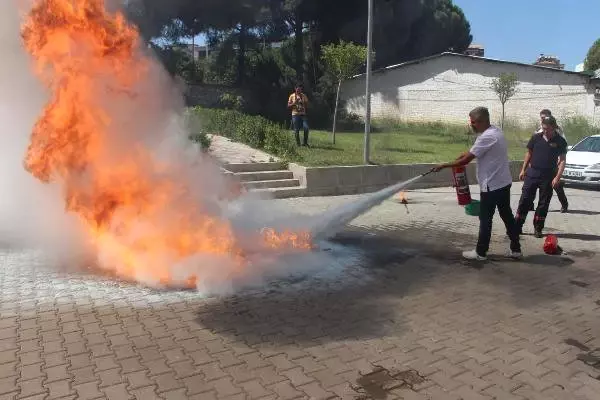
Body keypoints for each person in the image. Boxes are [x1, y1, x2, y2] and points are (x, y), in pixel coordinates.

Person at [431, 106, 522, 261]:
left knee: (485, 219)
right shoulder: (496, 131)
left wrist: (444, 165)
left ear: (483, 121)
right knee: (507, 216)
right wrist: (464, 154)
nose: (472, 125)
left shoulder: (486, 137)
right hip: (503, 183)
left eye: (474, 122)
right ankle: (516, 250)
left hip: (491, 186)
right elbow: (473, 151)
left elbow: (467, 159)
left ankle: (480, 252)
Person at [514, 115, 567, 238]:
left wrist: (557, 177)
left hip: (548, 176)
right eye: (543, 128)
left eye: (547, 129)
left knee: (543, 203)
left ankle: (538, 228)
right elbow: (529, 153)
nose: (545, 131)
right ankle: (517, 226)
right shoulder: (536, 138)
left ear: (554, 128)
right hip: (532, 173)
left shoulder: (560, 141)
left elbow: (563, 160)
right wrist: (523, 169)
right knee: (525, 200)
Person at [529, 109, 569, 212]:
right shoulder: (539, 129)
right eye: (541, 117)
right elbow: (533, 146)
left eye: (544, 117)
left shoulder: (557, 129)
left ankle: (564, 204)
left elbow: (562, 144)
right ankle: (530, 204)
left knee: (556, 185)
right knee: (533, 184)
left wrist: (560, 160)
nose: (542, 119)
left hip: (553, 163)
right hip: (539, 164)